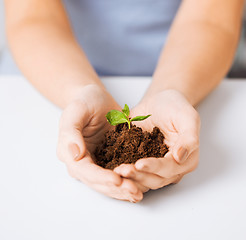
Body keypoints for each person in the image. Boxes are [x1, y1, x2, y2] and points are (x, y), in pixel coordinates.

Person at [3, 0, 244, 203]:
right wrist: (80, 94)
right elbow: (32, 17)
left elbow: (212, 20)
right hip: (52, 71)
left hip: (190, 68)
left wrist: (172, 91)